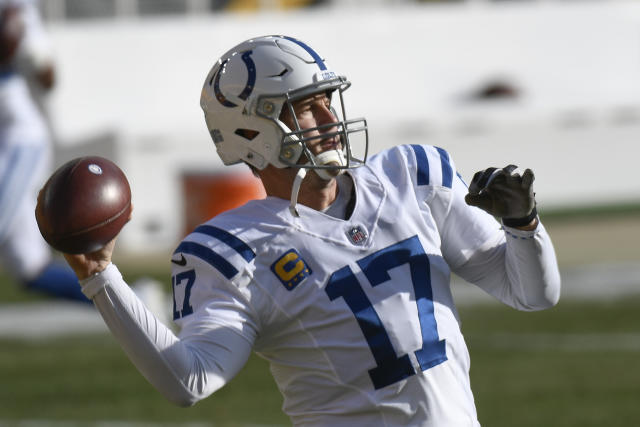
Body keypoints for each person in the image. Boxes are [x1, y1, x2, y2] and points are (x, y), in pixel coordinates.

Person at [63, 35, 561, 426]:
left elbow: (534, 293)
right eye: (304, 106)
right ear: (250, 132)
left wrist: (523, 225)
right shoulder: (231, 250)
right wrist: (100, 277)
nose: (329, 118)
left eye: (327, 99)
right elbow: (189, 379)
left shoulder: (412, 176)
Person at [0, 0, 86, 302]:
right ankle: (132, 300)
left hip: (16, 140)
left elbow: (48, 77)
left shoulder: (15, 6)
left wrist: (25, 50)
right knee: (29, 267)